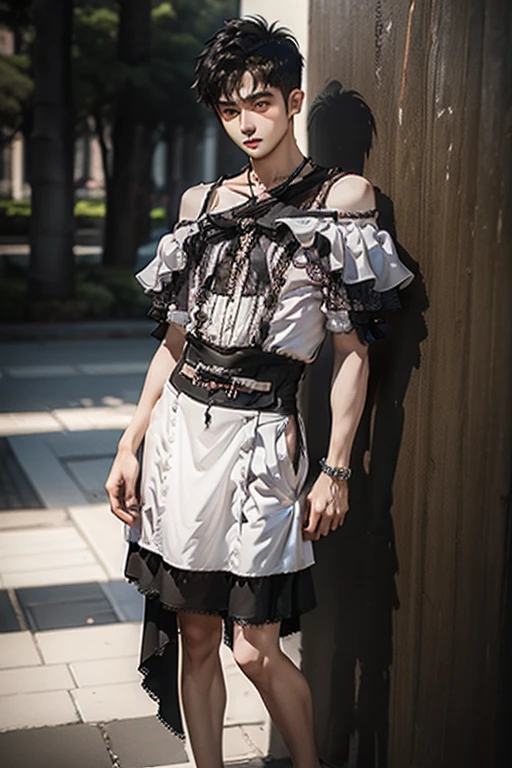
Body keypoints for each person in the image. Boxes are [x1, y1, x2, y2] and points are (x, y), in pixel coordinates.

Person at [105, 16, 414, 768]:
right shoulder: (199, 206)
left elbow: (352, 353)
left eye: (261, 103)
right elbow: (173, 345)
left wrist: (336, 466)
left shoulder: (342, 201)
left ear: (293, 99)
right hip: (181, 431)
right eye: (230, 109)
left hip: (263, 439)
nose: (246, 122)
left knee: (254, 648)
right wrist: (130, 442)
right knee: (198, 632)